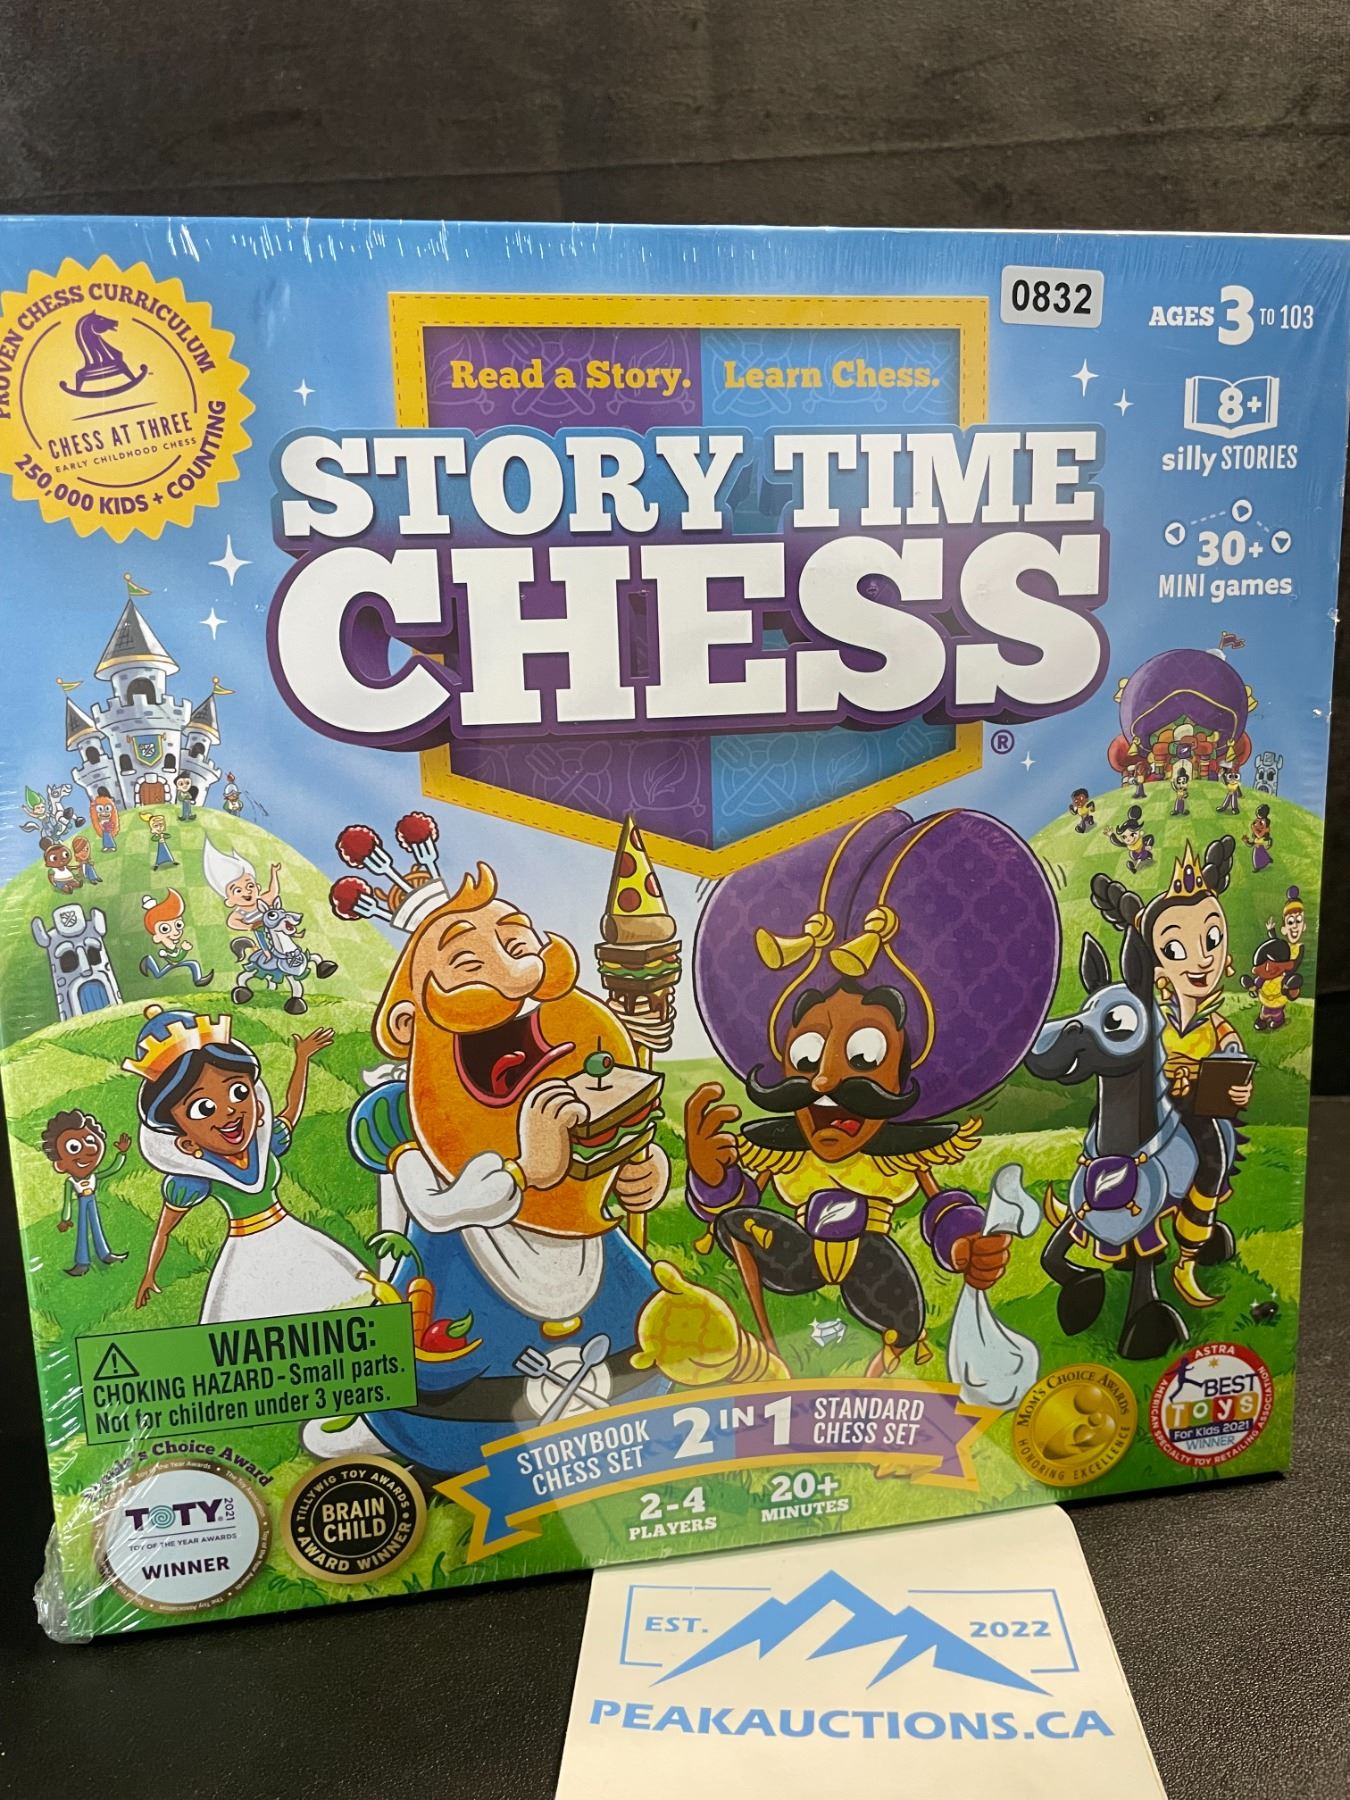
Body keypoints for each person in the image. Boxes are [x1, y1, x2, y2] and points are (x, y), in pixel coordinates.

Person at [128, 1006, 368, 1322]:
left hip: (291, 1235)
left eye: (238, 1091)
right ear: (185, 1141)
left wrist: (302, 1059)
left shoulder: (265, 1143)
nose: (229, 1111)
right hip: (245, 1251)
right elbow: (165, 1229)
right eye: (203, 1108)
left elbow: (291, 1110)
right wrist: (149, 1274)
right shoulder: (195, 1177)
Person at [42, 1110, 131, 1276]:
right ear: (60, 1165)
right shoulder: (71, 1182)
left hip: (92, 1200)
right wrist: (65, 1219)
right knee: (82, 1229)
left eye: (90, 1141)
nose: (90, 1149)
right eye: (74, 1147)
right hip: (83, 1201)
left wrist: (122, 1153)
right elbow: (67, 1202)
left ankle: (105, 1254)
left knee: (96, 1226)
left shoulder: (93, 1176)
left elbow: (112, 1169)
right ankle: (82, 1262)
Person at [139, 890, 213, 988]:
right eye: (165, 929)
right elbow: (176, 958)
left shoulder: (172, 946)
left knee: (192, 964)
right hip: (173, 962)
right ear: (157, 938)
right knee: (159, 974)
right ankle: (148, 962)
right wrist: (184, 949)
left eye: (178, 925)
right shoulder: (167, 949)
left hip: (174, 962)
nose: (176, 932)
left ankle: (198, 980)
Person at [1244, 803, 1274, 871]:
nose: (1257, 815)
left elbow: (1260, 835)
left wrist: (1255, 830)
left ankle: (1257, 866)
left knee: (1256, 852)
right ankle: (1268, 859)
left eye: (1259, 814)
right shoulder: (1257, 821)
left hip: (1261, 839)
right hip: (1258, 838)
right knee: (1261, 850)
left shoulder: (1265, 822)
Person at [90, 787, 120, 853]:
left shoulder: (106, 801)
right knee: (105, 835)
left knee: (107, 834)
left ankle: (111, 846)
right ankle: (107, 846)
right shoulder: (99, 802)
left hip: (107, 823)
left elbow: (113, 814)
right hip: (103, 823)